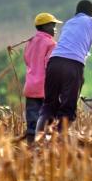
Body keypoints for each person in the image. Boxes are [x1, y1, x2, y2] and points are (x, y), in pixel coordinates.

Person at [36, 0, 92, 133]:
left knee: (49, 106)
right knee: (68, 110)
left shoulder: (69, 23)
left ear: (76, 13)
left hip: (53, 63)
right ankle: (60, 143)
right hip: (73, 65)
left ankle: (37, 141)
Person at [22, 12, 62, 142]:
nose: (55, 30)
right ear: (45, 27)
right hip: (45, 89)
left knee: (32, 122)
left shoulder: (30, 42)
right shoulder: (51, 44)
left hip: (30, 88)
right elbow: (50, 67)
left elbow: (27, 60)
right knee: (48, 123)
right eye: (53, 26)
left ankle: (31, 146)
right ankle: (44, 151)